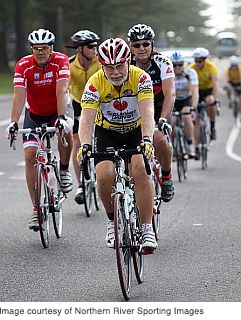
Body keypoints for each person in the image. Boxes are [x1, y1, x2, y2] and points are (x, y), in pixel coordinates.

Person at [77, 37, 157, 251]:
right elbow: (86, 118)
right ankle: (112, 221)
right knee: (104, 177)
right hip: (107, 132)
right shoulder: (94, 83)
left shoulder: (141, 78)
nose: (115, 72)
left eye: (120, 65)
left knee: (140, 170)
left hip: (136, 130)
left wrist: (147, 139)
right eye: (109, 67)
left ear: (128, 61)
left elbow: (148, 111)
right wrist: (84, 145)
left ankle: (147, 227)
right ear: (101, 65)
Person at [5, 28, 73, 231]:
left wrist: (61, 118)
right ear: (32, 49)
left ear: (51, 48)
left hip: (57, 111)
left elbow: (62, 89)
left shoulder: (61, 61)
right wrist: (13, 122)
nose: (40, 52)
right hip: (34, 114)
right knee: (29, 154)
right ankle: (36, 208)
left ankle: (63, 169)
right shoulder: (23, 65)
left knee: (66, 130)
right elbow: (19, 95)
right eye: (36, 49)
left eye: (44, 48)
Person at [127, 23, 175, 202]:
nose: (141, 48)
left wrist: (162, 118)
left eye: (145, 44)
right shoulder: (127, 63)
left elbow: (170, 94)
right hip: (137, 107)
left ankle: (167, 175)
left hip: (159, 106)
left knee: (160, 138)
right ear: (130, 47)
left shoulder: (162, 62)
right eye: (136, 45)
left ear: (152, 45)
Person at [66, 30, 101, 205]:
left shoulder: (100, 63)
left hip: (98, 102)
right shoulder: (70, 65)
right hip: (77, 103)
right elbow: (64, 87)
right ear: (80, 49)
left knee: (99, 137)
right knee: (76, 141)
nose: (95, 49)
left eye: (96, 45)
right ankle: (81, 185)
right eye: (90, 46)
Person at [170, 51, 199, 158]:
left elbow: (195, 91)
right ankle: (171, 147)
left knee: (186, 117)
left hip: (187, 99)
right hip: (173, 100)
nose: (177, 67)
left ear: (184, 64)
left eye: (180, 64)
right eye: (174, 65)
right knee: (171, 121)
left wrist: (193, 108)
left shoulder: (190, 73)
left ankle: (190, 145)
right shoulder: (168, 74)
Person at [189, 47, 219, 147]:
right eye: (196, 61)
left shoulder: (211, 67)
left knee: (211, 101)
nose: (198, 63)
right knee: (196, 118)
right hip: (197, 90)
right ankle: (196, 147)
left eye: (200, 61)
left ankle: (212, 125)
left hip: (208, 90)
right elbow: (189, 86)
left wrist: (215, 99)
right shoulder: (191, 68)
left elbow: (215, 84)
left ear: (205, 59)